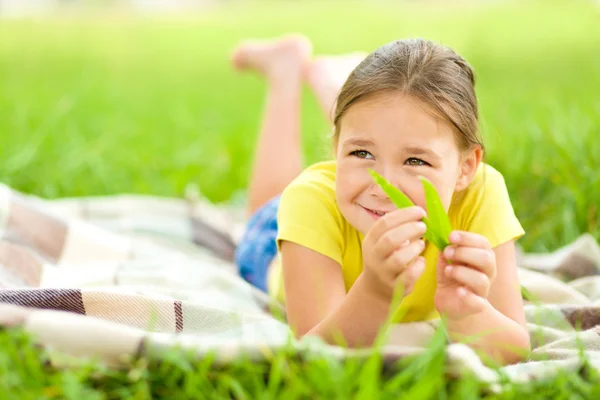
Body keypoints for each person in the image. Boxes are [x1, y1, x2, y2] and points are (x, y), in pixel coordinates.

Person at [232, 34, 530, 364]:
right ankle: (284, 71)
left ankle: (332, 89)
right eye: (360, 152)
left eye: (416, 161)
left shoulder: (481, 192)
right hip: (287, 238)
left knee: (381, 126)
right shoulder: (307, 200)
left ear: (466, 167)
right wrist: (375, 291)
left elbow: (514, 348)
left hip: (348, 201)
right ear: (336, 152)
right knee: (267, 205)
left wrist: (467, 314)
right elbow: (312, 355)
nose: (384, 185)